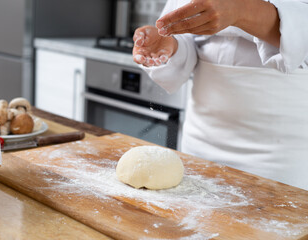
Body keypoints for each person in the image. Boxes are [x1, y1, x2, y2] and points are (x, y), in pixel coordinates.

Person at [132, 0, 308, 190]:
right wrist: (171, 46)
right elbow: (194, 42)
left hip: (283, 155)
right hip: (200, 140)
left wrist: (240, 11)